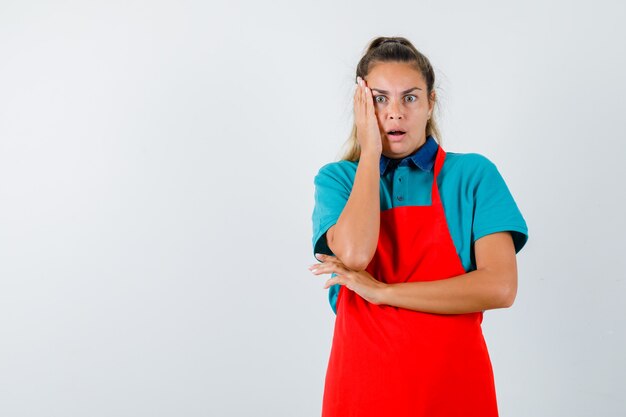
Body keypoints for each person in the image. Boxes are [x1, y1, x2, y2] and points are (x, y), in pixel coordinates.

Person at [308, 36, 529, 417]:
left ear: (430, 103)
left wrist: (382, 293)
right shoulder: (339, 180)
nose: (395, 113)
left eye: (409, 98)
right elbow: (356, 254)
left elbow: (500, 286)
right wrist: (370, 152)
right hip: (362, 392)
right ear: (360, 107)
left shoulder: (472, 175)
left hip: (455, 391)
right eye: (379, 99)